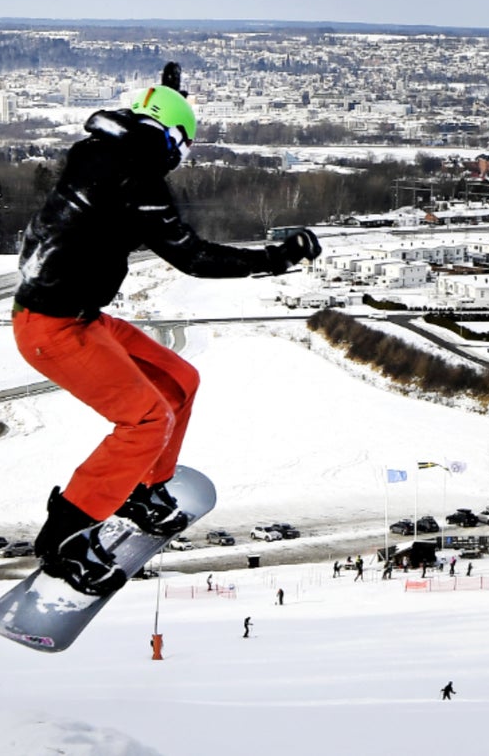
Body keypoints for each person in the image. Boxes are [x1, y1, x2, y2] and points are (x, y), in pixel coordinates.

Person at [21, 62, 323, 595]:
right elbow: (196, 258)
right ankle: (65, 537)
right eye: (183, 149)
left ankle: (144, 486)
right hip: (53, 328)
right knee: (144, 419)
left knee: (178, 380)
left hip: (81, 316)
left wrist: (165, 99)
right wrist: (279, 257)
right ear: (171, 143)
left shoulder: (104, 154)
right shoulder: (135, 183)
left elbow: (142, 129)